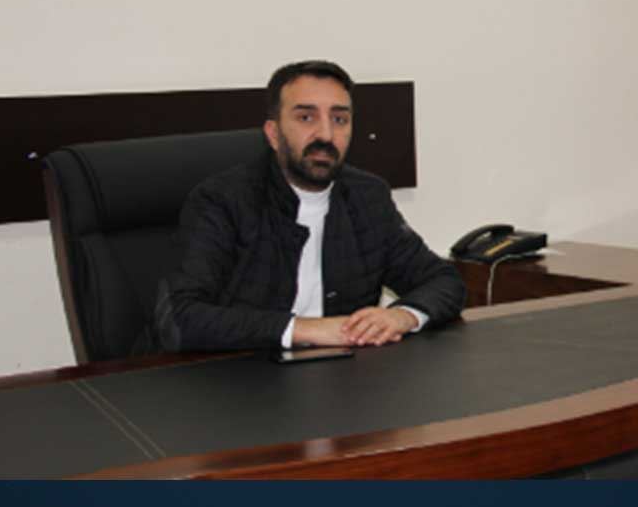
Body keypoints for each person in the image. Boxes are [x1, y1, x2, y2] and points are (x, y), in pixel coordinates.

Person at [157, 60, 465, 351]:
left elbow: (442, 279)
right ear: (273, 134)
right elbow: (180, 318)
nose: (326, 134)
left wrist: (403, 316)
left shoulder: (368, 196)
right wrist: (307, 329)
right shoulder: (223, 200)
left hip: (343, 376)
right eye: (306, 117)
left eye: (339, 119)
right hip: (239, 376)